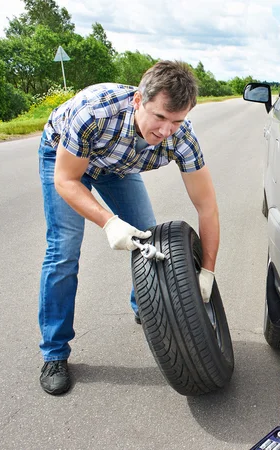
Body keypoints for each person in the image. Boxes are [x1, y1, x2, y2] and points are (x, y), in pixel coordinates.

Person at [37, 60, 219, 395]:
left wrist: (207, 271)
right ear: (138, 100)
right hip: (65, 157)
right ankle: (54, 353)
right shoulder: (94, 112)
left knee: (150, 237)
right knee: (63, 252)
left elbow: (206, 207)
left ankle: (146, 305)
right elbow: (66, 180)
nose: (166, 130)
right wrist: (108, 222)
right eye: (160, 117)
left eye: (177, 121)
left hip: (118, 166)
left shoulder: (183, 139)